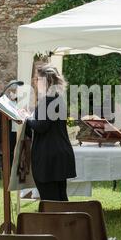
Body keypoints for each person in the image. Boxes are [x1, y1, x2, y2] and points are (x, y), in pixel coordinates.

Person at [22, 65, 76, 201]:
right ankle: (65, 222)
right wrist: (30, 119)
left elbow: (41, 126)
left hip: (49, 157)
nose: (35, 82)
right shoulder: (57, 98)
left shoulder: (48, 100)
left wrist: (26, 118)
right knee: (61, 200)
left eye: (37, 79)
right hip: (58, 155)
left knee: (51, 202)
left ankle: (57, 223)